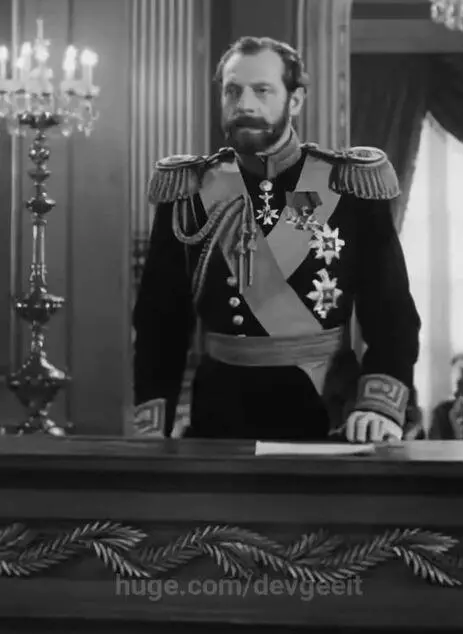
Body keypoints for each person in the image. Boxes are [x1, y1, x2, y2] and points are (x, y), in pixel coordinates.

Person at [133, 36, 421, 443]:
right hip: (220, 418)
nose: (244, 104)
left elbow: (391, 315)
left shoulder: (345, 186)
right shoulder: (191, 192)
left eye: (262, 90)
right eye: (233, 91)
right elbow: (159, 323)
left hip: (327, 414)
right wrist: (153, 420)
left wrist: (379, 404)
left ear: (295, 100)